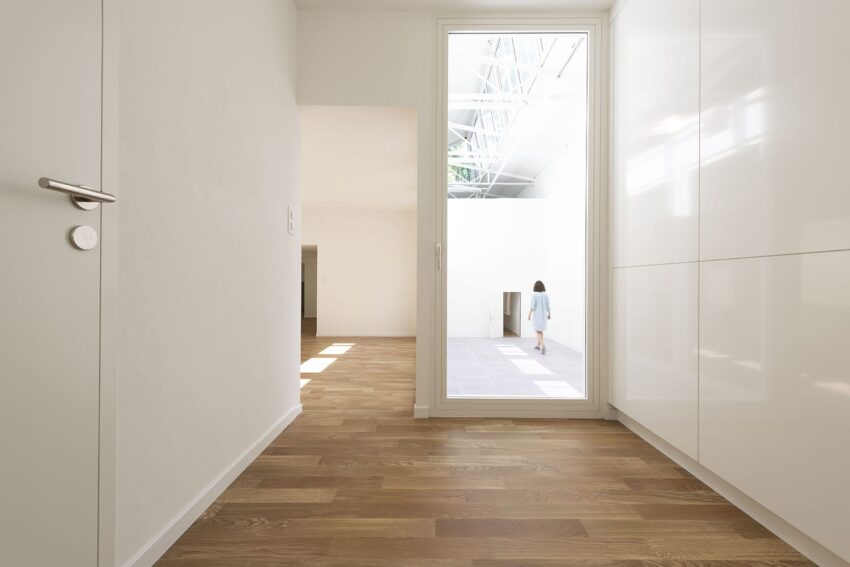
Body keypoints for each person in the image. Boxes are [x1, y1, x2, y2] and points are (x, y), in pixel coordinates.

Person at [528, 280, 551, 354]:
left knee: (538, 331)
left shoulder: (534, 295)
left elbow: (532, 306)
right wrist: (549, 314)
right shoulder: (546, 295)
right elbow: (548, 306)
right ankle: (538, 346)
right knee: (540, 331)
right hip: (544, 315)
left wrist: (529, 314)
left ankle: (543, 346)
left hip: (537, 315)